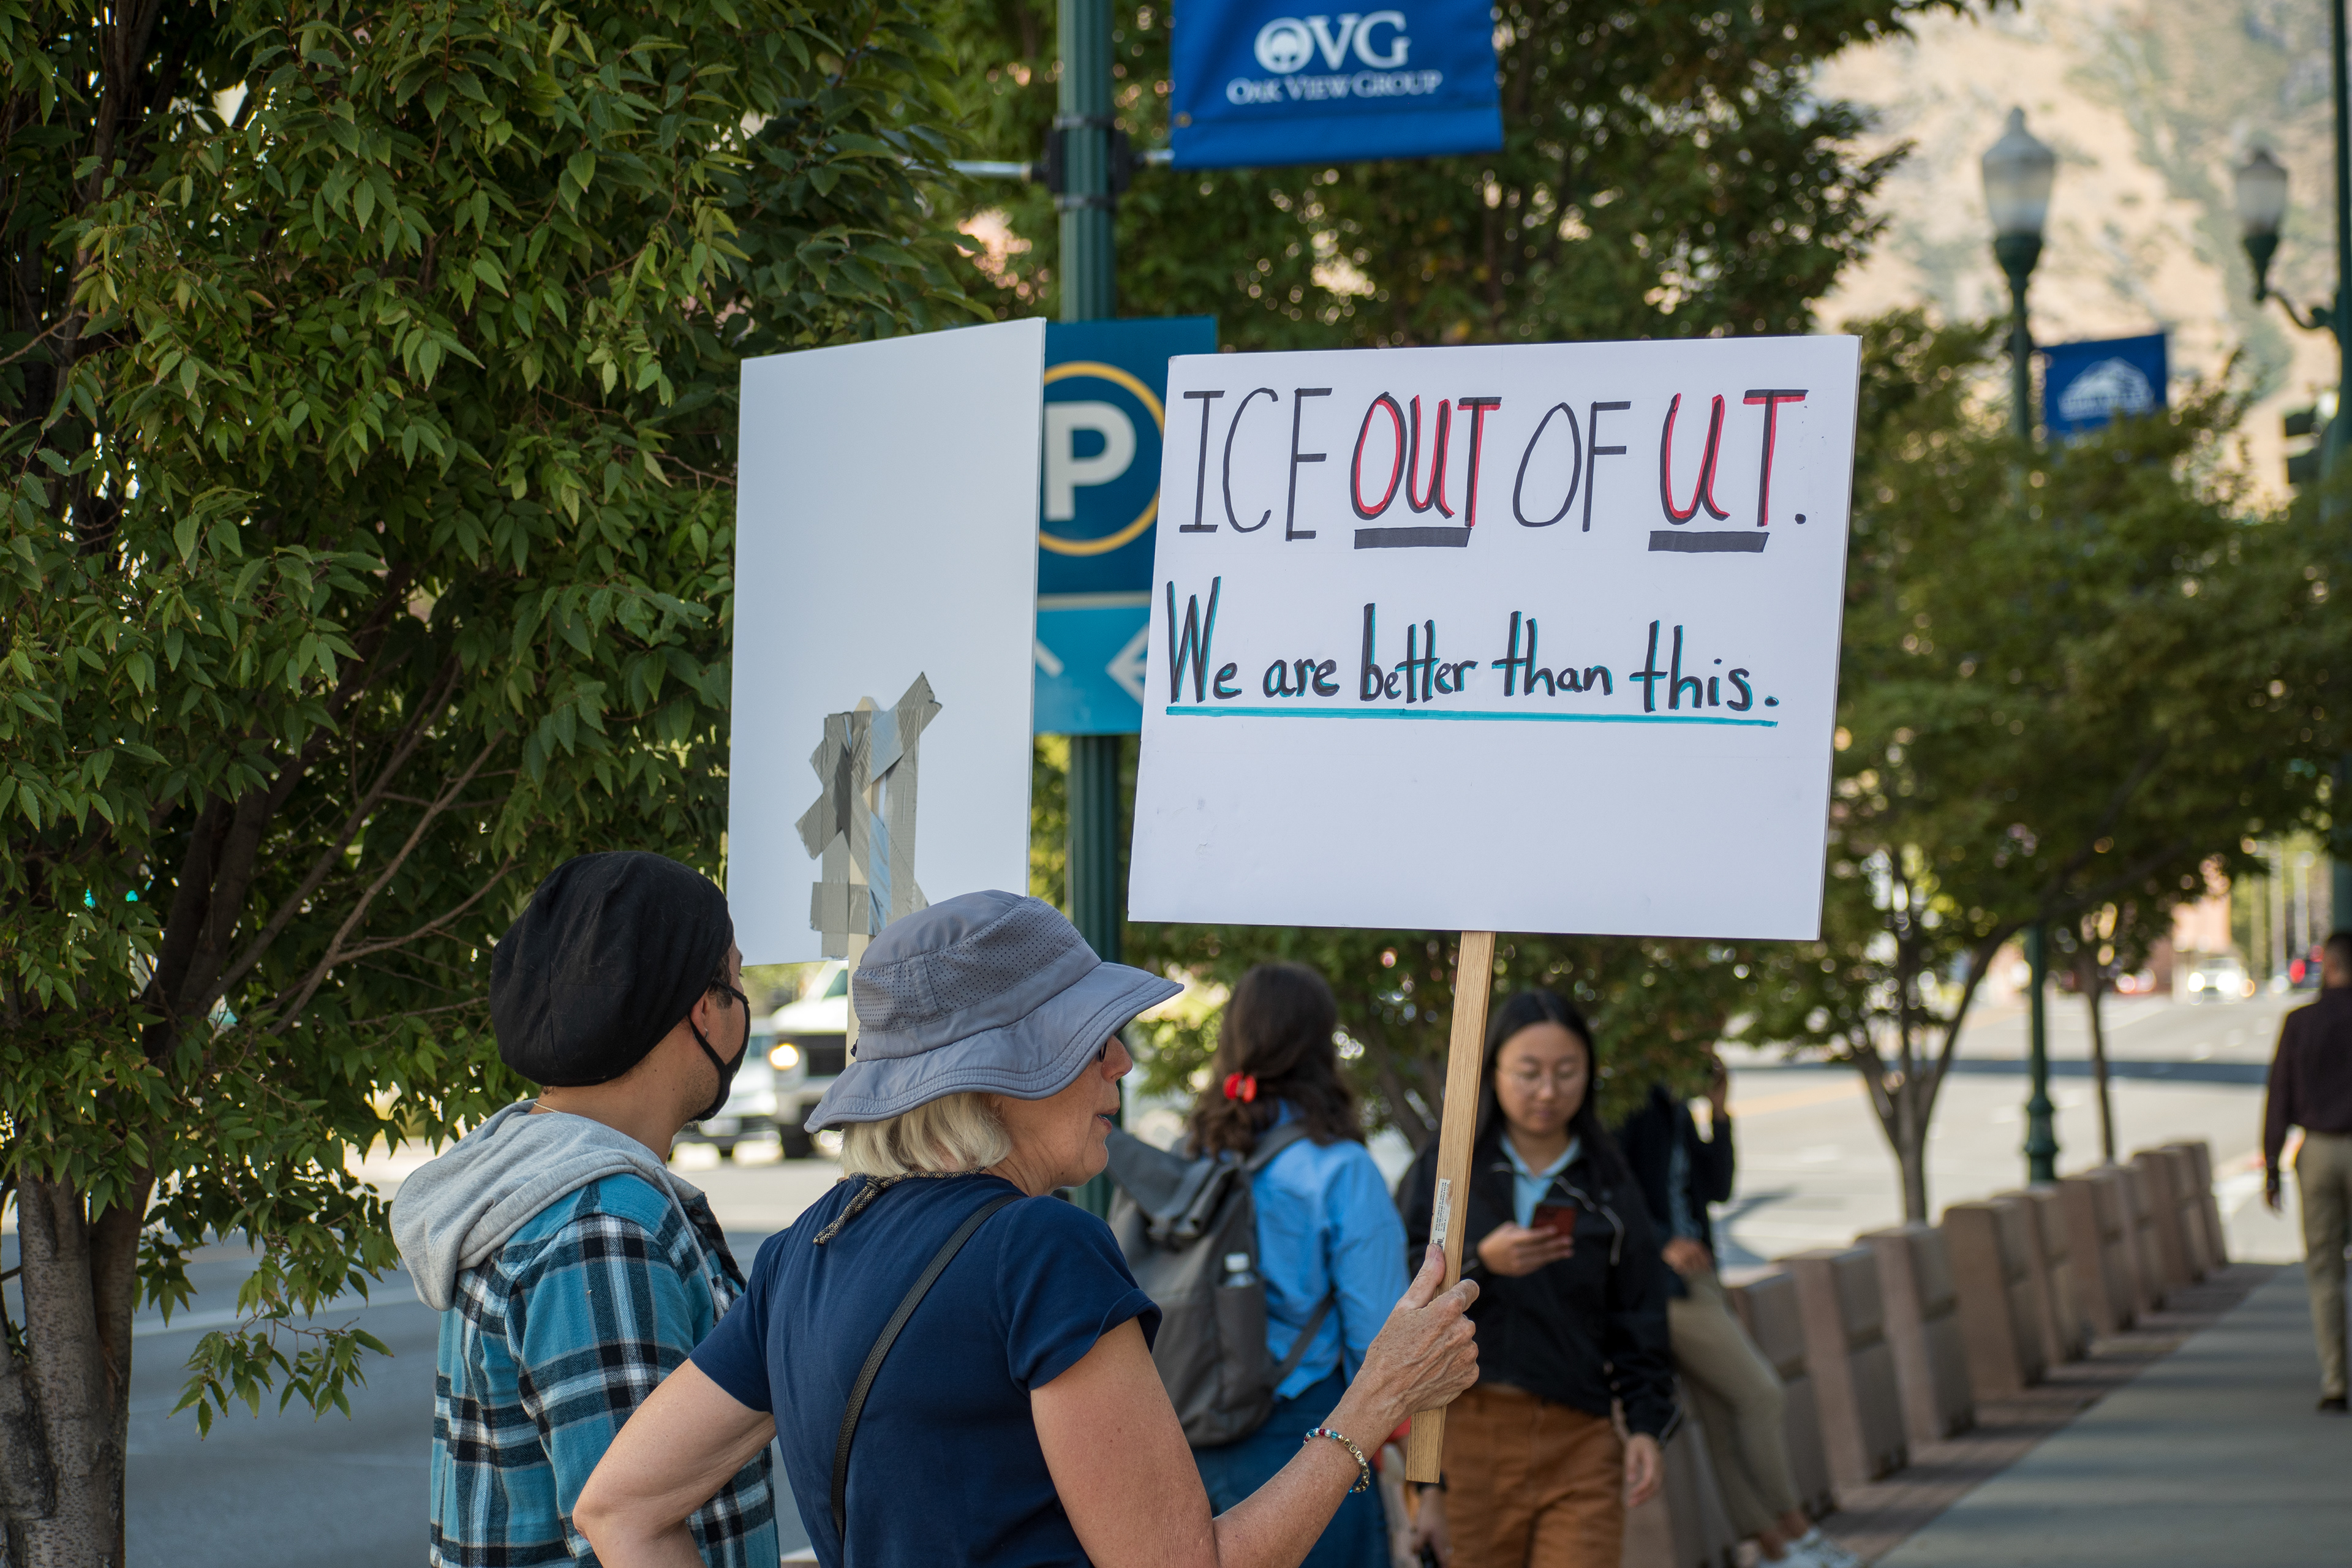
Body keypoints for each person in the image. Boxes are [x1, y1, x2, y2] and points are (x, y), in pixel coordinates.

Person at [571, 891, 1481, 1567]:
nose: (1120, 1060)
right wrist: (1375, 1399)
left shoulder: (809, 1245)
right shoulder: (1040, 1246)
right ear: (995, 1077)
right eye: (1089, 1041)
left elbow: (620, 1508)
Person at [390, 851, 775, 1567]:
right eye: (736, 978)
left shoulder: (526, 1170)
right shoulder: (601, 1225)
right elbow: (630, 1532)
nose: (742, 1005)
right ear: (700, 1008)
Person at [1398, 989, 1676, 1568]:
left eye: (1566, 1072)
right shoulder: (1450, 1168)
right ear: (1493, 1070)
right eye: (1528, 1072)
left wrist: (1646, 1425)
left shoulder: (1609, 1185)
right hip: (1467, 1440)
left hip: (1580, 1439)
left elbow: (1640, 1315)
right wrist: (1478, 1261)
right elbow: (1399, 1283)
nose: (1548, 1092)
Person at [1184, 963, 1411, 1568]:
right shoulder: (1341, 1169)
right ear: (1321, 1045)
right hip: (1311, 1440)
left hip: (1192, 1444)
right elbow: (1381, 1342)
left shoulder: (1192, 1162)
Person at [1615, 1065, 1858, 1568]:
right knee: (1760, 1393)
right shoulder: (1631, 1100)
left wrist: (1719, 1110)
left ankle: (1776, 1548)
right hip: (1664, 1289)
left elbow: (1717, 1187)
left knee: (1725, 1419)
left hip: (1700, 1279)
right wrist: (1661, 1244)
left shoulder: (1672, 1100)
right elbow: (1612, 1191)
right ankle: (1797, 1530)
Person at [2262, 929, 2352, 1415]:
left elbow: (2280, 1096)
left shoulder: (2302, 1023)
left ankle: (2336, 1380)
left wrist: (2272, 1166)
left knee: (2324, 1270)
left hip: (2316, 1151)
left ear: (2330, 967)